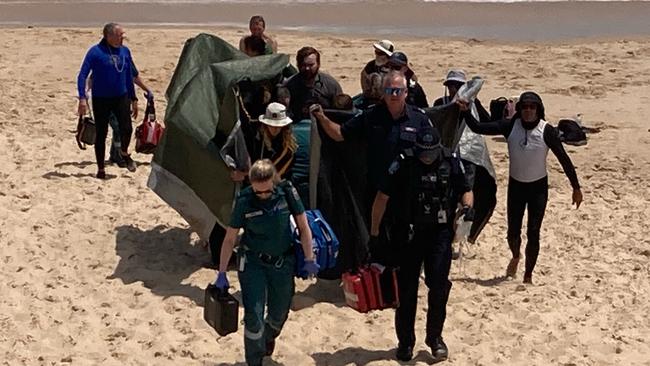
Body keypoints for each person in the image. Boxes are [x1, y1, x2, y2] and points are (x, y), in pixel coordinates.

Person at [369, 126, 473, 362]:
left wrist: (466, 208)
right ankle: (405, 343)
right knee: (406, 291)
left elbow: (466, 191)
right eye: (422, 152)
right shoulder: (403, 162)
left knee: (438, 286)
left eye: (430, 153)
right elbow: (381, 198)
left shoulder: (450, 161)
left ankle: (435, 338)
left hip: (440, 233)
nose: (426, 157)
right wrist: (374, 235)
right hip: (408, 233)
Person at [461, 91, 583, 284]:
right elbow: (477, 127)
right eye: (524, 107)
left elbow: (564, 159)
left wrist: (576, 187)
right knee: (512, 233)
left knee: (533, 232)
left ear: (538, 109)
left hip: (538, 189)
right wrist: (466, 111)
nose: (528, 111)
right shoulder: (510, 126)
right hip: (516, 187)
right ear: (519, 109)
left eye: (532, 107)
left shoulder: (547, 131)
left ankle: (528, 275)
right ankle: (516, 256)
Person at [214, 159, 318, 366]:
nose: (262, 196)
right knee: (254, 315)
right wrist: (222, 272)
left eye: (266, 191)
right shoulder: (244, 200)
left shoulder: (286, 193)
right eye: (257, 191)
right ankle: (254, 360)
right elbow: (229, 238)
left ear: (274, 182)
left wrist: (309, 258)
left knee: (279, 313)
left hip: (282, 262)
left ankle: (267, 337)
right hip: (253, 263)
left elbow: (304, 227)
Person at [312, 71, 435, 214]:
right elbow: (340, 134)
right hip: (376, 190)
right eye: (389, 91)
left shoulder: (419, 119)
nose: (394, 95)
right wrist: (321, 118)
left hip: (409, 190)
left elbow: (433, 149)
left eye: (398, 91)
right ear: (383, 92)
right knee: (376, 232)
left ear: (406, 92)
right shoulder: (371, 116)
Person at [433, 69, 496, 247]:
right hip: (448, 155)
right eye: (451, 85)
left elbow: (485, 122)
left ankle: (459, 236)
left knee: (466, 193)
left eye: (458, 85)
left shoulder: (473, 104)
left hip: (470, 155)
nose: (454, 89)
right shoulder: (441, 103)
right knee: (448, 195)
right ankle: (451, 235)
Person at [77, 23, 138, 178]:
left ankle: (124, 153)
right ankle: (100, 169)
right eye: (119, 35)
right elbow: (82, 75)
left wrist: (134, 98)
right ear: (108, 36)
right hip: (101, 98)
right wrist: (82, 98)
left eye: (123, 35)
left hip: (121, 96)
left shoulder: (125, 51)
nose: (122, 37)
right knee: (101, 134)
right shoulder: (95, 52)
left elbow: (128, 76)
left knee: (127, 128)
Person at [231, 102, 298, 183]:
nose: (275, 129)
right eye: (271, 125)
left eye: (278, 126)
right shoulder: (256, 133)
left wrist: (244, 176)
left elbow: (270, 174)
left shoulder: (287, 147)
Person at [284, 46, 343, 121]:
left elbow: (340, 112)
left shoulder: (331, 85)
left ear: (318, 64)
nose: (307, 68)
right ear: (298, 65)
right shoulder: (288, 85)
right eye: (303, 65)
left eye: (311, 65)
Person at [360, 40, 394, 104]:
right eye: (376, 52)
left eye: (380, 53)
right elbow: (364, 78)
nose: (377, 55)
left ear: (387, 55)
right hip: (371, 100)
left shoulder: (395, 66)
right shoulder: (370, 66)